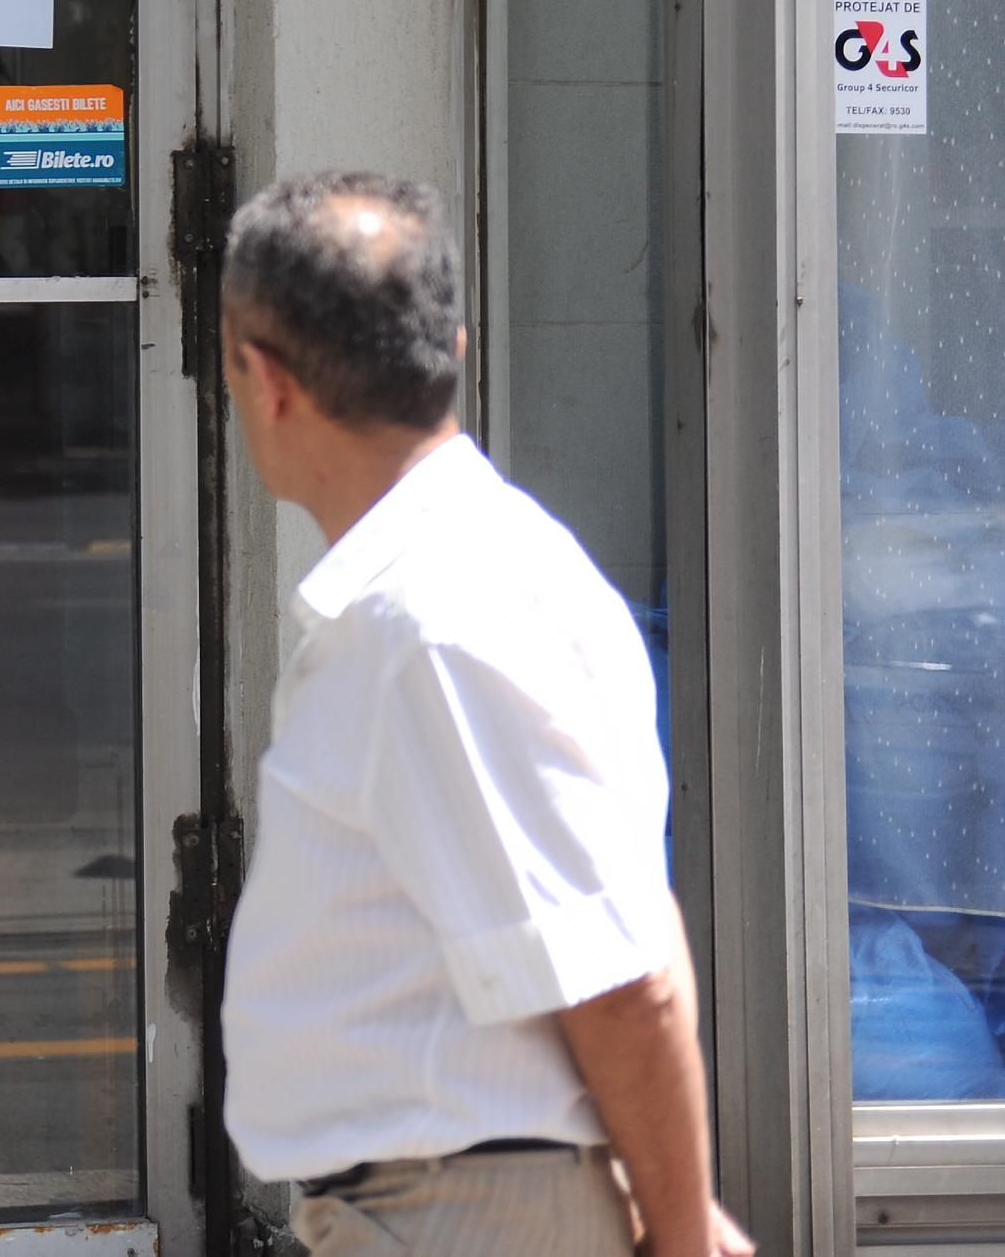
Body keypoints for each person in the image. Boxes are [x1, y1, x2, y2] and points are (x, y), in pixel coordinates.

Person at [215, 172, 751, 1257]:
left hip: (462, 1210)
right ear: (452, 346)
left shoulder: (429, 623)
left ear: (265, 381)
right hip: (460, 1199)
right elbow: (634, 921)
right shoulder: (495, 567)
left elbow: (621, 983)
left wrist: (684, 1234)